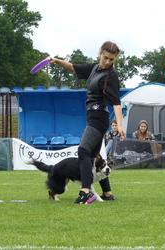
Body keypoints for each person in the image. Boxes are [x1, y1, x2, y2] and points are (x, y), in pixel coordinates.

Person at [50, 41, 126, 205]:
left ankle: (86, 192)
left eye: (111, 60)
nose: (107, 62)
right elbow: (73, 67)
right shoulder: (94, 69)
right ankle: (107, 193)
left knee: (83, 151)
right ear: (100, 53)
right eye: (105, 58)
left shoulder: (110, 76)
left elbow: (117, 103)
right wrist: (57, 61)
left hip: (99, 117)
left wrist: (119, 125)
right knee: (93, 157)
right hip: (93, 116)